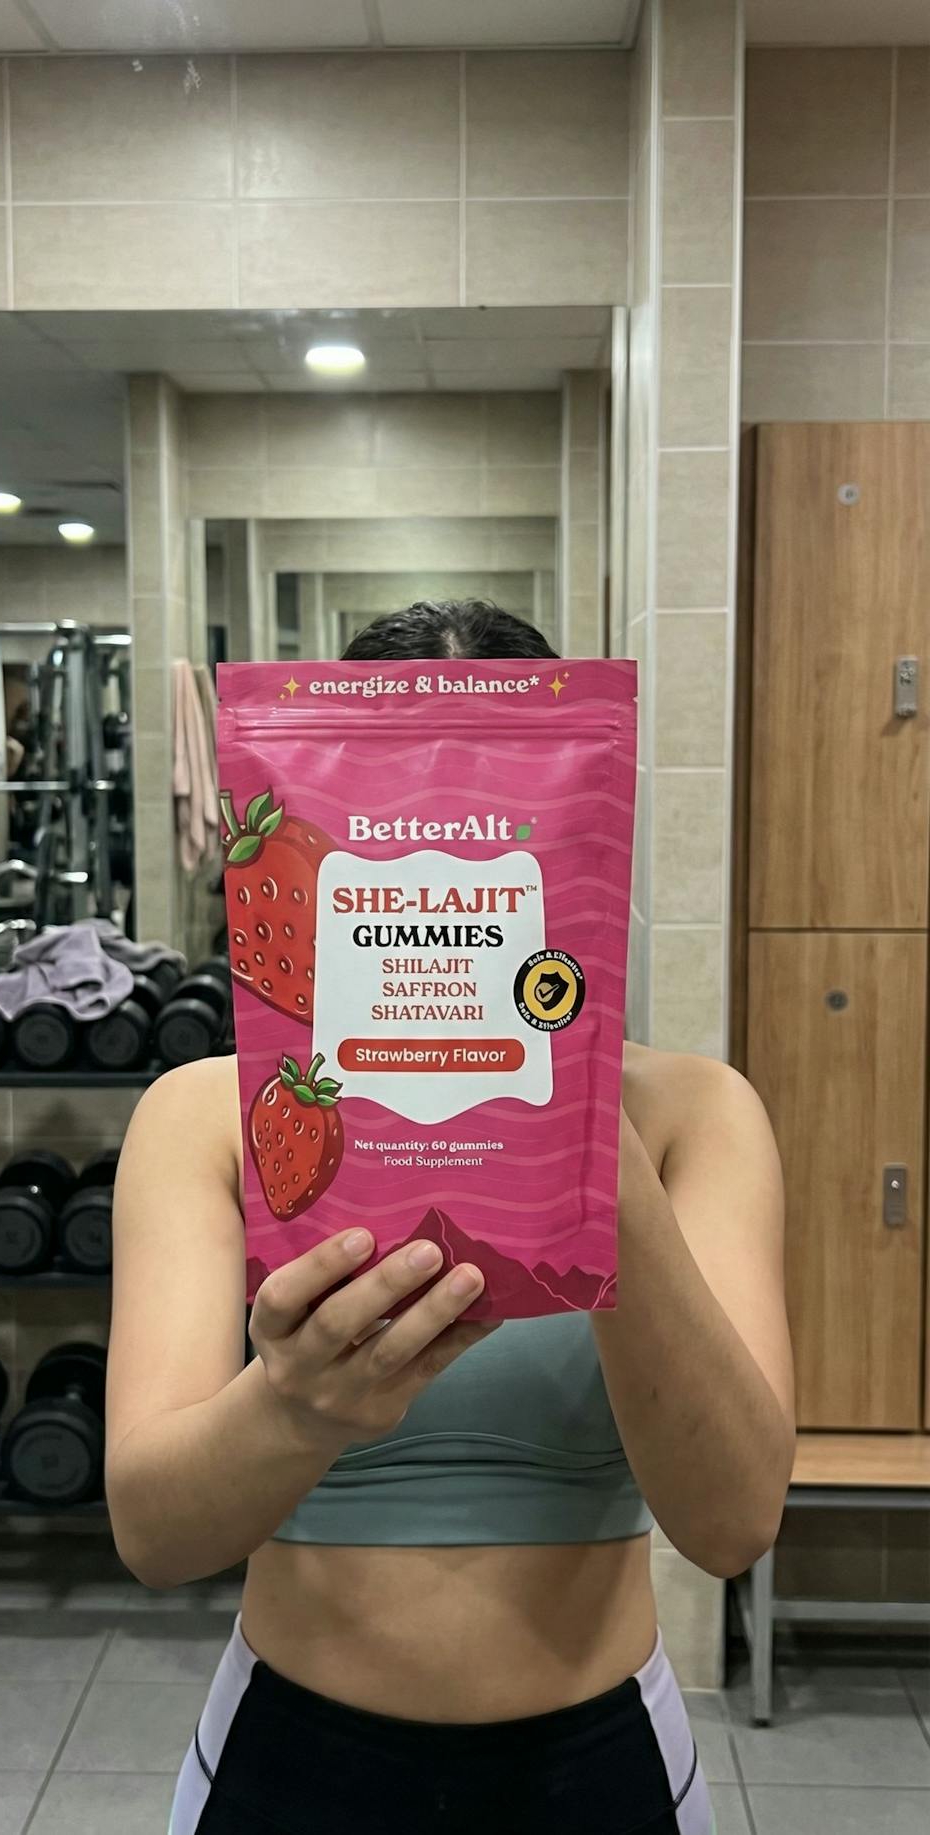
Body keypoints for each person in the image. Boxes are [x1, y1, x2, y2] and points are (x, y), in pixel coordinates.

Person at [106, 601, 794, 1835]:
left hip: (603, 1767)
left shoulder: (694, 1116)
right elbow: (154, 1531)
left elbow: (732, 1520)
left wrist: (590, 1152)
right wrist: (293, 1406)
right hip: (285, 1765)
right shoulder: (209, 1117)